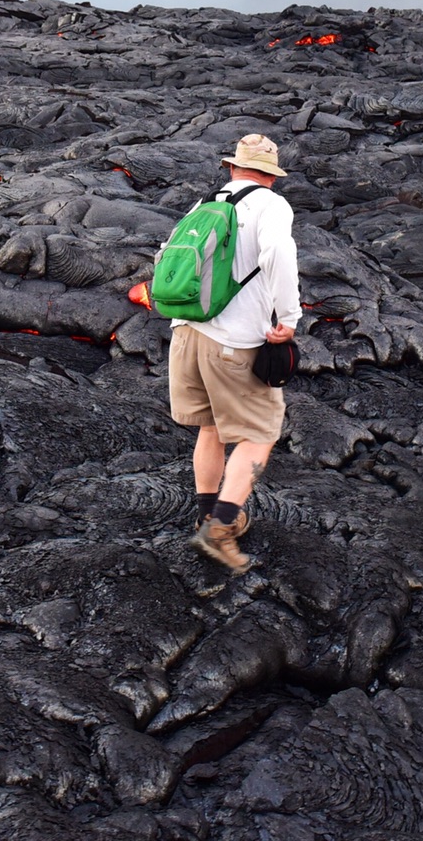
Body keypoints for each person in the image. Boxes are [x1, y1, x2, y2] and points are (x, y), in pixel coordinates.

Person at [169, 134, 302, 573]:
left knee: (211, 427)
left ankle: (208, 512)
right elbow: (279, 252)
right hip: (234, 341)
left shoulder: (203, 203)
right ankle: (221, 527)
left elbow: (166, 257)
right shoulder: (270, 205)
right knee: (259, 433)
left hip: (187, 333)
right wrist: (289, 317)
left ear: (232, 167)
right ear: (271, 175)